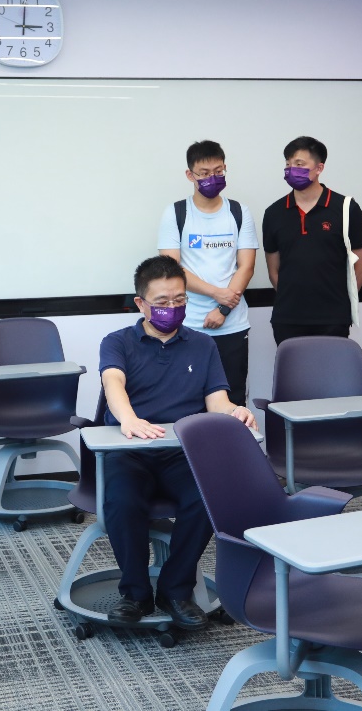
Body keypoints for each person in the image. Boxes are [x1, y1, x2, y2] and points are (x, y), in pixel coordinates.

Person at [98, 255, 258, 629]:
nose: (172, 308)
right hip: (131, 450)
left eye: (179, 300)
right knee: (122, 501)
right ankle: (135, 593)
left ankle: (175, 589)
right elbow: (112, 382)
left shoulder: (203, 345)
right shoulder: (118, 342)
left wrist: (235, 411)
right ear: (141, 303)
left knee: (208, 497)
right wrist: (129, 419)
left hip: (181, 453)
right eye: (162, 302)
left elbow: (217, 401)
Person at [157, 140, 258, 405]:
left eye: (218, 171)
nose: (212, 178)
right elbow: (172, 268)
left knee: (233, 401)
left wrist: (223, 309)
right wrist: (216, 294)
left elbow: (246, 266)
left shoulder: (239, 212)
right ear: (190, 175)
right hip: (188, 324)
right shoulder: (176, 213)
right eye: (204, 173)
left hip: (232, 325)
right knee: (187, 400)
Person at [262, 135, 362, 345]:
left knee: (331, 367)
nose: (291, 169)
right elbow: (274, 271)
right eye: (288, 164)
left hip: (333, 319)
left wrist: (338, 302)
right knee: (292, 368)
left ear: (319, 168)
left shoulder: (346, 208)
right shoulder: (274, 213)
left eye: (299, 164)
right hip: (288, 319)